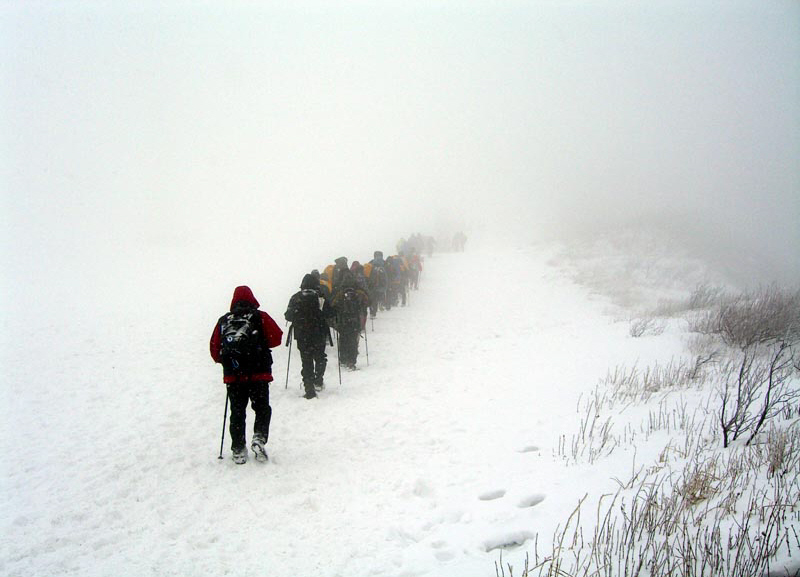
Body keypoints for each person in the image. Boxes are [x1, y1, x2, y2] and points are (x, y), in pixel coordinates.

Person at [210, 286, 283, 464]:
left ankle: (238, 449)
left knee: (237, 412)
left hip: (234, 376)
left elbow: (214, 348)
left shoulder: (224, 320)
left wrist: (229, 361)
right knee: (262, 408)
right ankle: (259, 437)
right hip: (259, 374)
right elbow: (277, 338)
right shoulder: (260, 317)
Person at [284, 274, 334, 399]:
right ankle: (318, 380)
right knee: (320, 356)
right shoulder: (320, 297)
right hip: (319, 332)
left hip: (302, 334)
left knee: (306, 360)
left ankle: (309, 387)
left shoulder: (296, 297)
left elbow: (288, 316)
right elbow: (330, 313)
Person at [331, 271, 369, 370]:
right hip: (354, 320)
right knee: (353, 341)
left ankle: (343, 359)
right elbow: (367, 302)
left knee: (343, 339)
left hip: (343, 321)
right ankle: (351, 361)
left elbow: (333, 306)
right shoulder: (358, 292)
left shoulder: (340, 293)